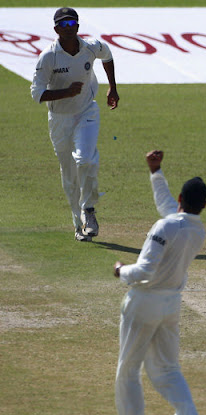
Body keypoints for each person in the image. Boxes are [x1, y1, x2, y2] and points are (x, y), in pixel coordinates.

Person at [113, 150, 206, 415]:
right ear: (204, 205)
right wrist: (155, 173)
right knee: (168, 369)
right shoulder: (196, 230)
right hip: (171, 305)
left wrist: (120, 272)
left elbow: (143, 271)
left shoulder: (164, 227)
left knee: (128, 372)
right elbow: (168, 208)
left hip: (144, 302)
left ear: (182, 198)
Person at [30, 7, 119, 242]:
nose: (69, 29)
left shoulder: (91, 46)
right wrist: (65, 92)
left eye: (72, 24)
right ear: (56, 29)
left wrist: (113, 87)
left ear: (78, 27)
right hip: (59, 119)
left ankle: (89, 210)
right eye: (64, 25)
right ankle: (78, 225)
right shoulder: (48, 56)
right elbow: (36, 94)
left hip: (86, 111)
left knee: (86, 159)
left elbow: (107, 55)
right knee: (69, 175)